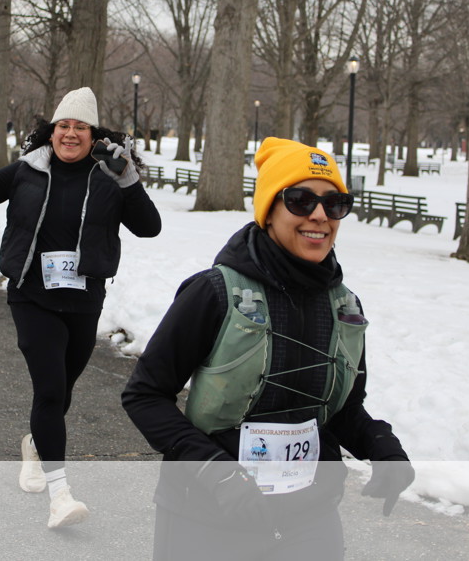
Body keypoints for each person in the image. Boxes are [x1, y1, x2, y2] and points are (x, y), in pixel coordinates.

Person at [122, 138, 414, 560]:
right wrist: (217, 472)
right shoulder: (214, 292)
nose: (319, 215)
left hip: (308, 517)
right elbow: (145, 395)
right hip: (208, 514)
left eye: (334, 204)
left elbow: (342, 410)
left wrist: (381, 444)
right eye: (300, 200)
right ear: (268, 211)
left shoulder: (344, 306)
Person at [0, 87, 161, 529]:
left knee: (62, 390)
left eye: (80, 127)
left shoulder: (109, 176)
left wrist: (129, 179)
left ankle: (36, 443)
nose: (70, 133)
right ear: (51, 132)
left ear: (94, 135)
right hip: (32, 295)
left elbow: (149, 228)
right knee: (50, 390)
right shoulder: (27, 170)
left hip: (84, 299)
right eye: (63, 125)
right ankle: (60, 495)